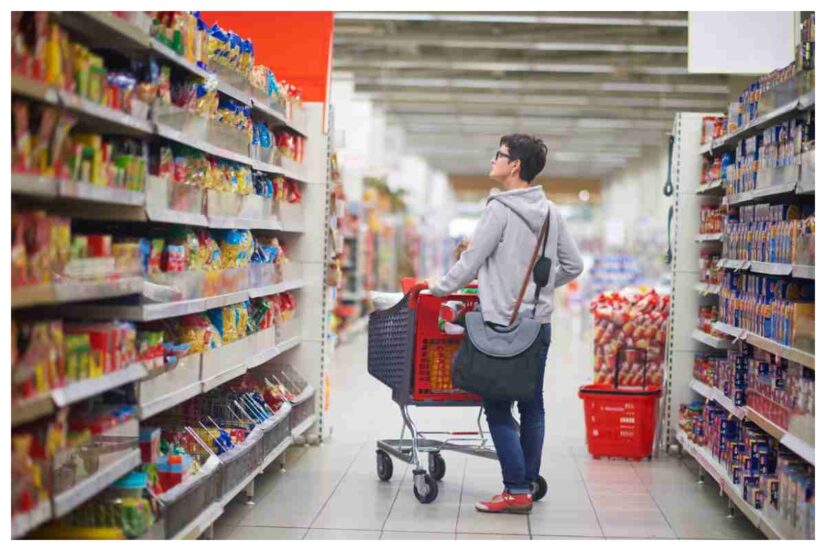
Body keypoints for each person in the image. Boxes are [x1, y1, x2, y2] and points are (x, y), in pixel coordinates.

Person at [426, 134, 584, 514]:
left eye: (499, 155)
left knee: (497, 408)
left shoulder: (499, 209)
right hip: (537, 324)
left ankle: (515, 490)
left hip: (500, 323)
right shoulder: (550, 212)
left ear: (514, 166)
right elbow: (574, 265)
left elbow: (472, 261)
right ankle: (527, 481)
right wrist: (540, 288)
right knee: (532, 406)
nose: (493, 159)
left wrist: (437, 288)